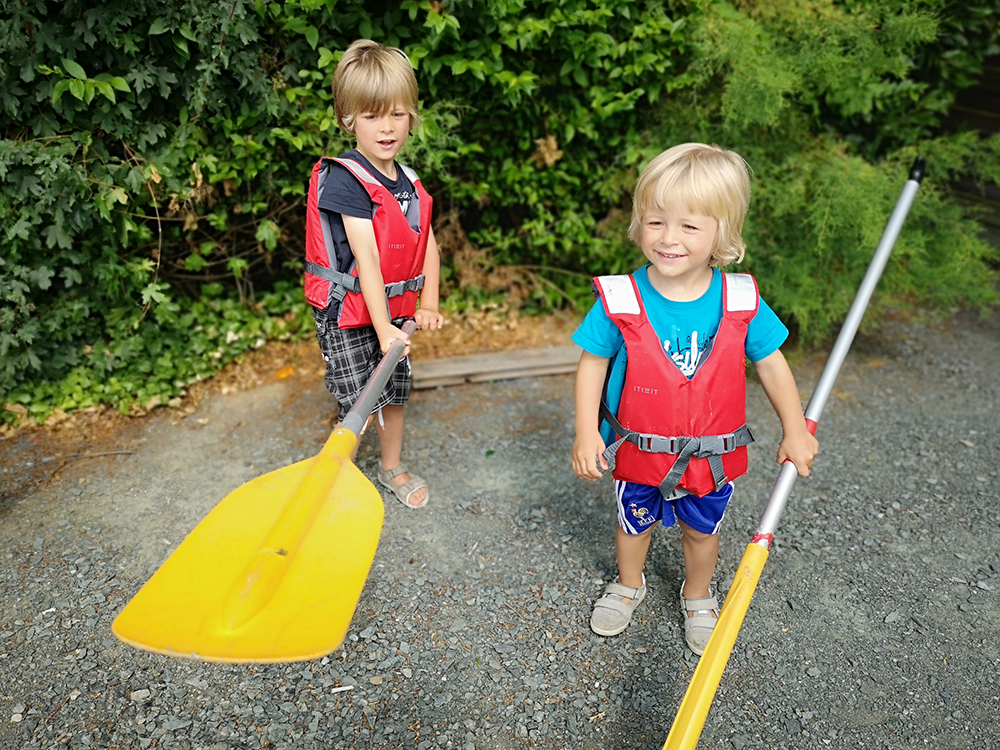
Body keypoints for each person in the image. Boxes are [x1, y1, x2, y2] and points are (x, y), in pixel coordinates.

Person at [571, 143, 819, 654]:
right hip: (637, 449)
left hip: (711, 457)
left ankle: (698, 594)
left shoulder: (741, 300)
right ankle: (628, 583)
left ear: (721, 236)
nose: (669, 239)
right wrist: (585, 430)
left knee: (701, 533)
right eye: (656, 222)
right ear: (639, 223)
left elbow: (772, 364)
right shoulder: (621, 299)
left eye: (689, 226)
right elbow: (592, 363)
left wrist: (796, 428)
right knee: (632, 524)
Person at [305, 39, 444, 509]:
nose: (386, 128)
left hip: (394, 313)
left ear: (412, 116)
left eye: (398, 114)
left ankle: (390, 467)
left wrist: (428, 304)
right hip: (350, 312)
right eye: (371, 116)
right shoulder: (347, 177)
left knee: (395, 392)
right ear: (348, 119)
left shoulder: (408, 179)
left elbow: (429, 245)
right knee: (358, 399)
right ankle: (335, 473)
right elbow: (365, 256)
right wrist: (382, 327)